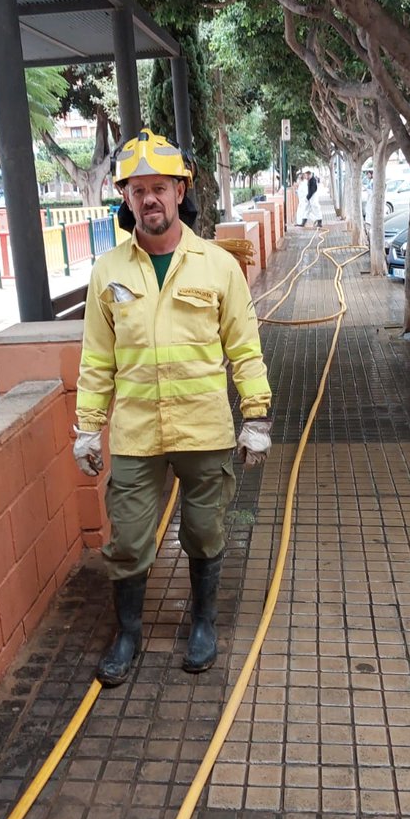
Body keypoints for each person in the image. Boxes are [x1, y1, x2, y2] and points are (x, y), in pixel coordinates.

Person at [73, 129, 273, 687]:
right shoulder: (108, 272)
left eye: (159, 187)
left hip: (204, 431)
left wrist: (256, 415)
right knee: (130, 539)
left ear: (181, 190)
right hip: (137, 435)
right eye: (137, 191)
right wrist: (88, 428)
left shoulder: (216, 266)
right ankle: (129, 633)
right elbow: (97, 359)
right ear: (126, 197)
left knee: (206, 531)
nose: (149, 200)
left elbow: (244, 346)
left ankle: (203, 623)